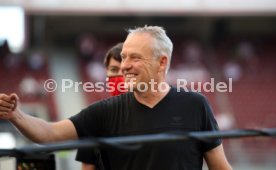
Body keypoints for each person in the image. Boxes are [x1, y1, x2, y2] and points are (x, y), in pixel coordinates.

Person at [0, 25, 232, 170]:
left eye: (135, 58)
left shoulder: (195, 105)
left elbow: (219, 167)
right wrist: (17, 116)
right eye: (124, 57)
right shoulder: (105, 111)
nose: (125, 67)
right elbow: (49, 134)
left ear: (162, 62)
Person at [77, 42, 124, 170]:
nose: (119, 76)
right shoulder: (94, 117)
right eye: (114, 70)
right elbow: (87, 166)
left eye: (125, 70)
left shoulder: (153, 114)